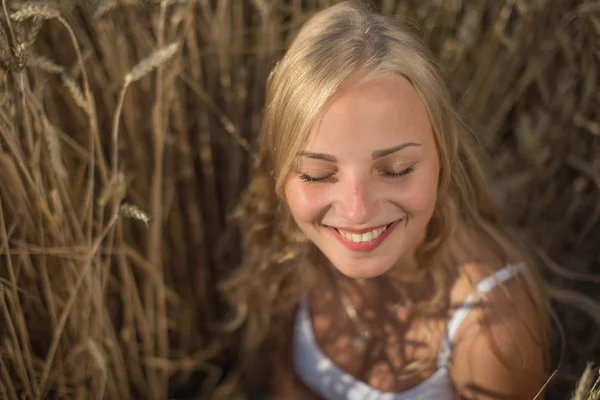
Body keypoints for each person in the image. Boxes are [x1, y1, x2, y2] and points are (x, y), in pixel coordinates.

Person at [220, 1, 550, 399]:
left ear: (442, 159)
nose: (357, 210)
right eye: (317, 174)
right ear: (279, 173)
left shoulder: (492, 327)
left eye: (395, 169)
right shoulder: (293, 250)